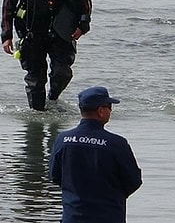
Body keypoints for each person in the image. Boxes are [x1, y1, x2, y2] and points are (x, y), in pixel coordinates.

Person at [1, 0, 92, 111]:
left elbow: (84, 4)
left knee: (62, 73)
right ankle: (37, 112)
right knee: (35, 79)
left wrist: (82, 26)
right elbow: (7, 8)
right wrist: (6, 36)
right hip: (31, 36)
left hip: (60, 35)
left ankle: (53, 97)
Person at [49, 86, 142, 223]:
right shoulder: (116, 143)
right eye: (109, 106)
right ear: (101, 111)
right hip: (108, 216)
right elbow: (134, 181)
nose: (111, 111)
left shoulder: (62, 140)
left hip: (73, 216)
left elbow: (55, 175)